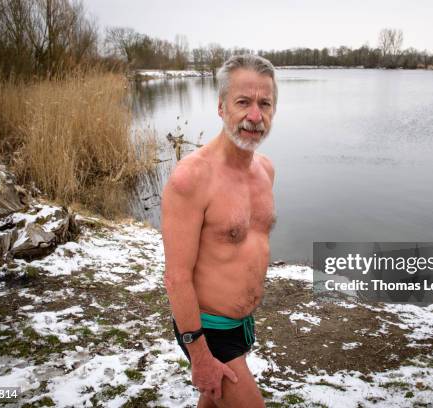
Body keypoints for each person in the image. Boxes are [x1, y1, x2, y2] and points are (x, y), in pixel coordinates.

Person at [162, 54, 277, 408]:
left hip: (241, 325)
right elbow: (176, 277)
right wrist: (199, 355)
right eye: (243, 102)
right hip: (208, 331)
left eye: (264, 104)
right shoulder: (192, 178)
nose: (254, 116)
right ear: (221, 107)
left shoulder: (266, 171)